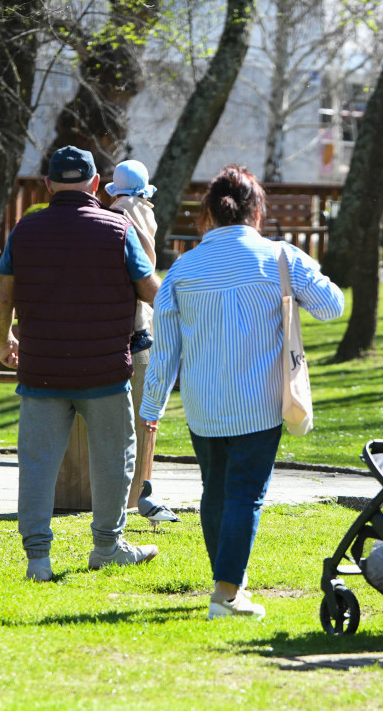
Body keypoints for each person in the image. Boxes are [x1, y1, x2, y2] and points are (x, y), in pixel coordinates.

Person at [139, 165, 345, 620]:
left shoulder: (183, 268)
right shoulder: (279, 258)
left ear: (208, 214)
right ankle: (226, 596)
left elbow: (165, 347)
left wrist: (151, 405)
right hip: (259, 402)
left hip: (203, 402)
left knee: (215, 490)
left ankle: (227, 586)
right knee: (245, 495)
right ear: (257, 211)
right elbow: (332, 306)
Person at [0, 145, 163, 581]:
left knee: (37, 463)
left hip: (41, 370)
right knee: (114, 458)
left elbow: (3, 295)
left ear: (48, 185)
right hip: (103, 371)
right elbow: (149, 290)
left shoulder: (25, 231)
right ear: (93, 184)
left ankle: (37, 559)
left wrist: (4, 339)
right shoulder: (117, 228)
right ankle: (107, 547)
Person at [106, 159, 159, 503]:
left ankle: (120, 493)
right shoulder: (146, 214)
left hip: (116, 327)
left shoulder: (114, 215)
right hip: (142, 328)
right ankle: (139, 489)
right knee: (142, 415)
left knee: (117, 422)